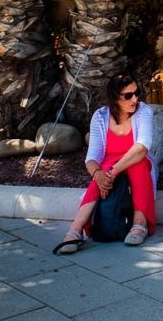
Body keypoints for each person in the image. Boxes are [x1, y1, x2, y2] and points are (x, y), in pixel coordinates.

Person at [54, 74, 156, 255]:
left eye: (136, 93)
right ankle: (76, 230)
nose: (135, 99)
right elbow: (92, 156)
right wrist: (98, 175)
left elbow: (142, 147)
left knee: (137, 164)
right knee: (101, 175)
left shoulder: (143, 111)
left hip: (135, 160)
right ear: (115, 98)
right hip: (109, 166)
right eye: (128, 95)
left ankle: (139, 223)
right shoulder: (100, 116)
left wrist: (113, 172)